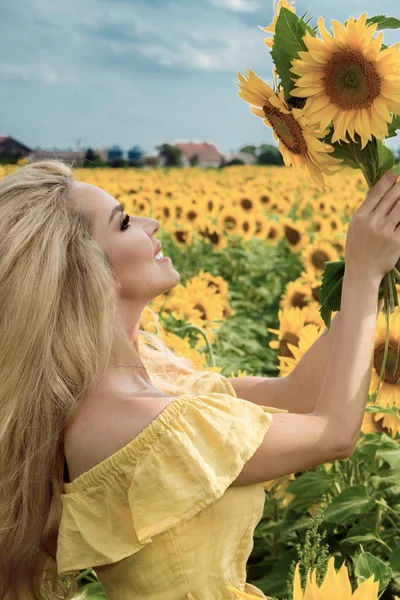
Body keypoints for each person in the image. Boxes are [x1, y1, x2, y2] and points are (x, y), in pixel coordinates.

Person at [0, 160, 398, 600]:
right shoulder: (129, 419)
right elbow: (331, 434)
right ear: (85, 272)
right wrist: (362, 274)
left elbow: (293, 396)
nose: (152, 225)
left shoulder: (147, 379)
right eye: (126, 223)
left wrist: (374, 274)